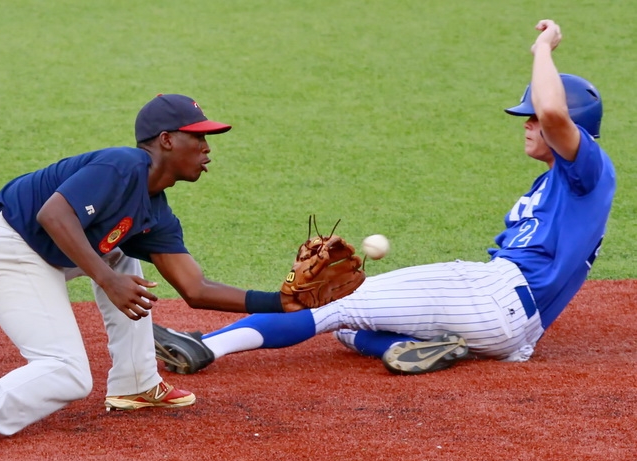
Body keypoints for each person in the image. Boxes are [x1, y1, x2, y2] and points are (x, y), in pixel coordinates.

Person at [153, 20, 615, 377]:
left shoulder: (588, 169)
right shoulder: (559, 185)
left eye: (532, 117)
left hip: (492, 295)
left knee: (333, 301)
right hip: (514, 333)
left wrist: (542, 48)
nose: (528, 123)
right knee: (352, 329)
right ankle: (400, 348)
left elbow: (554, 111)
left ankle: (207, 345)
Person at [0, 94, 304, 454]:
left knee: (122, 261)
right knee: (69, 373)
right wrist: (105, 279)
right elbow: (53, 215)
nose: (207, 148)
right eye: (197, 138)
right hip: (2, 245)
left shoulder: (157, 213)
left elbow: (195, 288)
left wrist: (281, 302)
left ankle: (136, 383)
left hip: (42, 252)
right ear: (166, 140)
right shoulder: (122, 165)